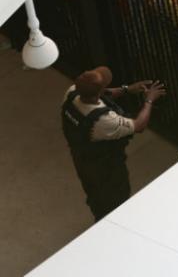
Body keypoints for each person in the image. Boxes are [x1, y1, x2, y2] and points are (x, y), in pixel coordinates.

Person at [62, 67, 166, 220]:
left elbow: (104, 93)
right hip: (105, 168)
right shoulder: (102, 121)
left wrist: (127, 89)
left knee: (95, 196)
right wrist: (149, 100)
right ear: (98, 92)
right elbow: (139, 125)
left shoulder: (72, 93)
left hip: (82, 160)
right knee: (115, 202)